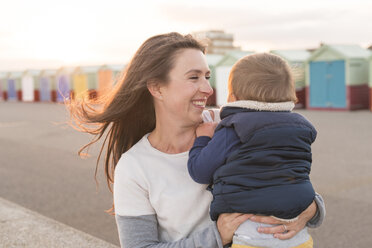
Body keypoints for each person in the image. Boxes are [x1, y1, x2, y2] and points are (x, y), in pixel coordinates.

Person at [69, 33, 325, 248]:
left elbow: (290, 171)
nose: (208, 89)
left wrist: (312, 208)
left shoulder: (232, 123)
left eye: (207, 76)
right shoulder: (135, 167)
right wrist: (216, 236)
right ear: (157, 87)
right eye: (194, 77)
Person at [188, 53, 320, 248]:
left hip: (250, 234)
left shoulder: (234, 127)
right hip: (298, 234)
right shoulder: (301, 126)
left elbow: (200, 171)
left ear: (233, 97)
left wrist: (202, 139)